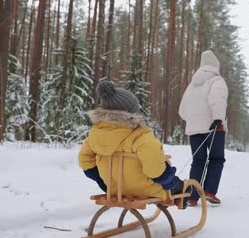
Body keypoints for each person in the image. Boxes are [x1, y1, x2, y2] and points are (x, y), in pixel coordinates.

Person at [79, 80, 187, 206]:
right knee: (177, 183)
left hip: (114, 189)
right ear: (132, 112)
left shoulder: (95, 133)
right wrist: (171, 182)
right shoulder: (140, 135)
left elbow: (85, 160)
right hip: (145, 190)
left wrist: (103, 181)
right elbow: (155, 170)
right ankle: (185, 195)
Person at [178, 50, 228, 206]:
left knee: (198, 161)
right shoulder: (217, 80)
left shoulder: (191, 86)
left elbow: (182, 110)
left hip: (194, 129)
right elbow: (217, 99)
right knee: (216, 159)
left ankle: (192, 197)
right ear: (215, 65)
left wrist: (192, 120)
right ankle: (209, 191)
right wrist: (218, 117)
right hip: (214, 126)